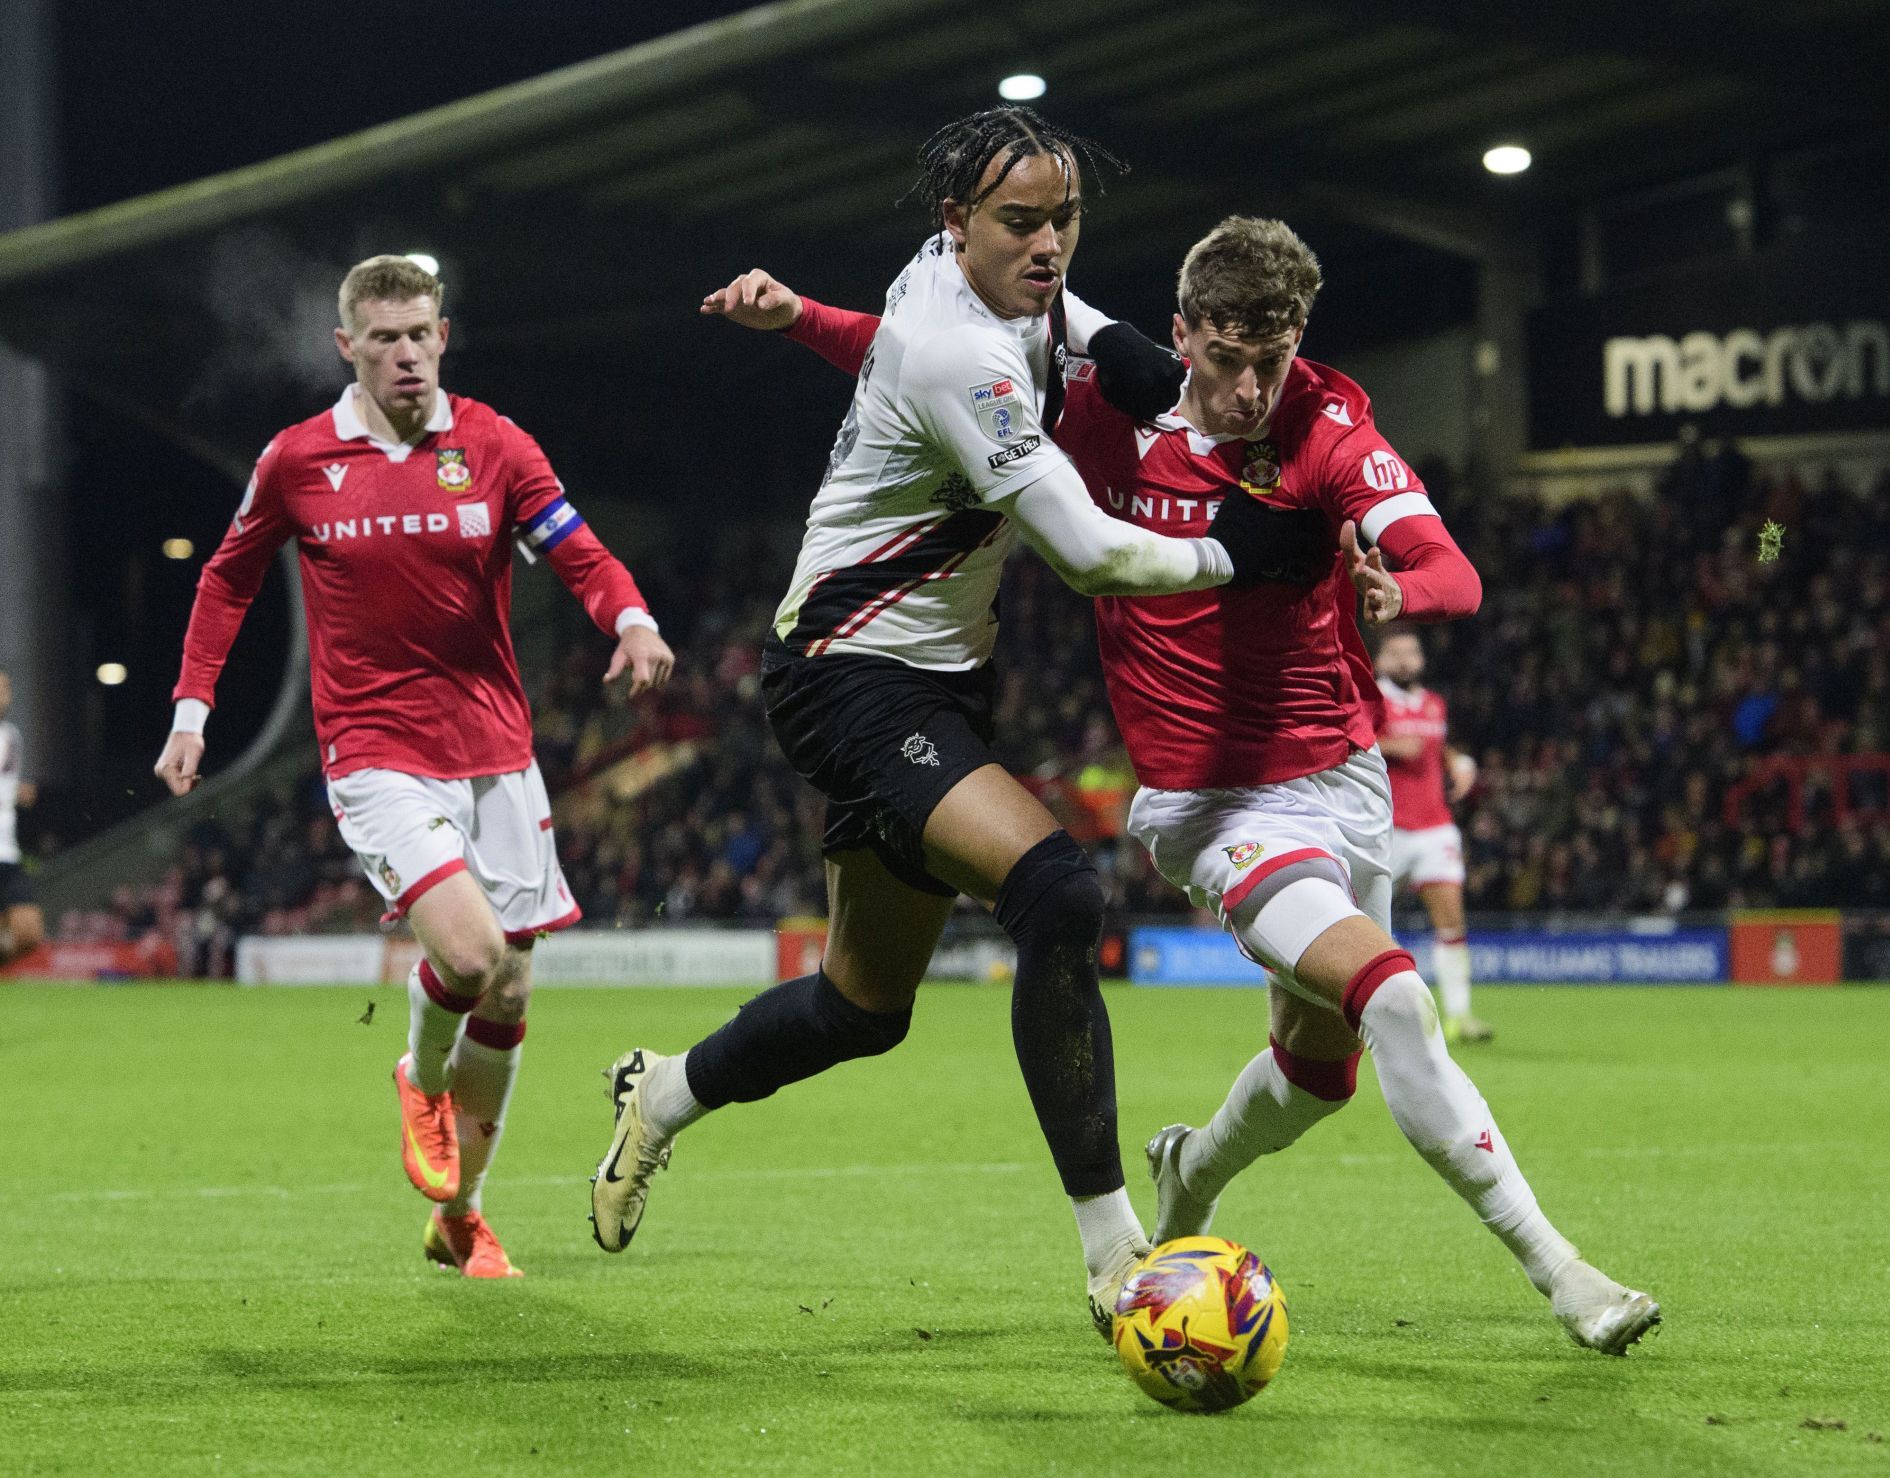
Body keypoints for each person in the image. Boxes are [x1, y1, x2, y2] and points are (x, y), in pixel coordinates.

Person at [731, 212, 1658, 1354]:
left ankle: (1190, 1171)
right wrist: (798, 320)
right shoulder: (1109, 421)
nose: (1251, 388)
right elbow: (919, 364)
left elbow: (1449, 569)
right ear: (1182, 336)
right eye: (1225, 361)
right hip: (1215, 809)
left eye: (1272, 360)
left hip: (1346, 785)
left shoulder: (1326, 422)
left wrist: (1395, 595)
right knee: (1400, 1001)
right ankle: (1564, 1275)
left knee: (1319, 1078)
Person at [587, 109, 1315, 1336]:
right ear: (953, 227)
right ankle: (1116, 1255)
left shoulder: (1001, 292)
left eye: (1065, 220)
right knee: (1059, 896)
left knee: (862, 1011)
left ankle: (662, 1095)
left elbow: (1112, 351)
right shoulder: (953, 352)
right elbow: (1086, 552)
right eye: (1020, 224)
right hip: (846, 673)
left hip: (938, 680)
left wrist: (1222, 395)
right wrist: (1239, 549)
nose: (1049, 246)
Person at [155, 255, 676, 1278]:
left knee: (512, 990)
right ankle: (419, 1072)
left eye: (421, 333)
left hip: (496, 749)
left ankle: (461, 1214)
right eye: (384, 338)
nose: (406, 354)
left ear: (445, 335)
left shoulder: (491, 442)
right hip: (375, 749)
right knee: (473, 955)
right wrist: (191, 710)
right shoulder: (301, 460)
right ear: (347, 347)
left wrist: (633, 617)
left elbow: (577, 547)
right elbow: (226, 581)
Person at [1375, 627, 1489, 1042]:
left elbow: (1436, 747)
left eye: (1412, 652)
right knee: (1367, 925)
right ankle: (1357, 1014)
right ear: (1380, 661)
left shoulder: (1434, 705)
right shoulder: (1370, 699)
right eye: (1395, 653)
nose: (1405, 660)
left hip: (1434, 826)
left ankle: (1459, 1017)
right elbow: (1341, 740)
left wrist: (1459, 762)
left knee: (1451, 922)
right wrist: (1385, 744)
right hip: (1385, 830)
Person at [0, 671, 45, 971]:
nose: (5, 693)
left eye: (7, 687)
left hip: (6, 849)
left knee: (29, 931)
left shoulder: (11, 735)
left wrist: (16, 792)